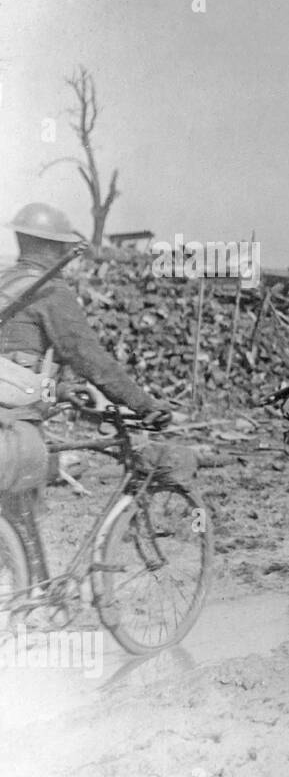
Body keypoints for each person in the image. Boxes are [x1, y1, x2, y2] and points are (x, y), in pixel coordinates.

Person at [0, 203, 172, 587]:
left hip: (6, 416)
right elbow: (91, 359)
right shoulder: (49, 291)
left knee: (16, 518)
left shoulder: (5, 284)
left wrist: (58, 390)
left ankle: (33, 594)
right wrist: (143, 404)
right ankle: (33, 602)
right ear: (52, 248)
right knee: (23, 498)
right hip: (13, 430)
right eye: (63, 248)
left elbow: (11, 365)